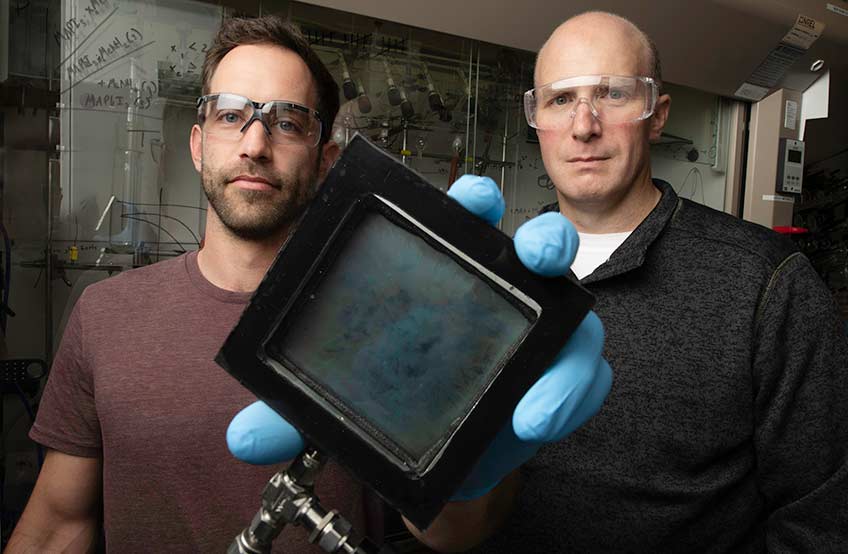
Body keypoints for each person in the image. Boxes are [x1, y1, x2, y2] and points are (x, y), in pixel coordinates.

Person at [8, 15, 611, 553]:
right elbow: (59, 524)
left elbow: (455, 532)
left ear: (326, 161)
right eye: (230, 115)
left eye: (287, 123)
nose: (254, 144)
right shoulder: (105, 312)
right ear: (198, 144)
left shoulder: (388, 314)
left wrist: (475, 452)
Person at [461, 11, 846, 552]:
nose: (583, 125)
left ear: (658, 115)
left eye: (613, 94)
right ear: (537, 120)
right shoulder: (489, 276)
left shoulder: (765, 282)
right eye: (560, 99)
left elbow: (821, 518)